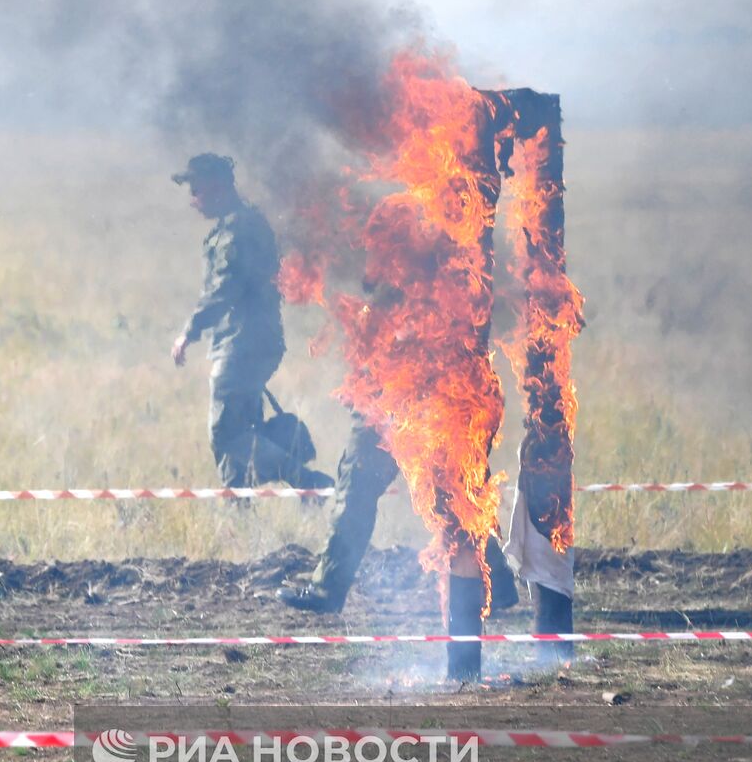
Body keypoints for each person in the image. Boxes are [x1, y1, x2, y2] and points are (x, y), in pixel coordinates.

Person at [170, 153, 334, 491]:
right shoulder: (240, 225)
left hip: (242, 343)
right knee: (243, 428)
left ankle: (307, 482)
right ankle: (238, 508)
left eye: (196, 190)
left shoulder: (237, 231)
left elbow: (224, 289)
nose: (192, 200)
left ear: (216, 187)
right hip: (248, 341)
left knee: (227, 433)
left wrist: (190, 331)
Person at [275, 416, 519, 615]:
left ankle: (494, 581)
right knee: (356, 485)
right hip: (380, 396)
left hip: (430, 396)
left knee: (453, 490)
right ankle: (326, 590)